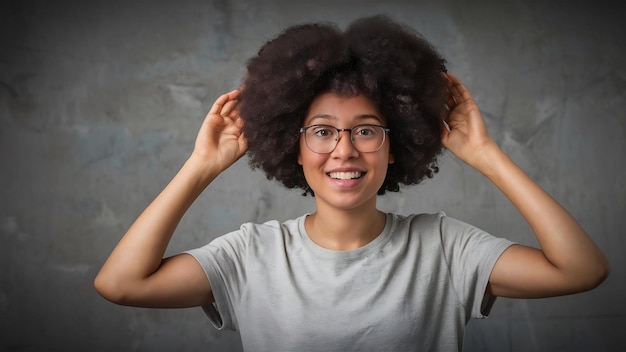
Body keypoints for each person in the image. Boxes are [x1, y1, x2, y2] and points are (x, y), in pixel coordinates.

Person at [94, 15, 609, 351]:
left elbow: (581, 270)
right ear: (291, 144)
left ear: (397, 141)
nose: (344, 150)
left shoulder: (445, 247)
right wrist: (201, 166)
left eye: (366, 130)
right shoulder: (251, 254)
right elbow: (120, 284)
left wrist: (487, 155)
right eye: (321, 132)